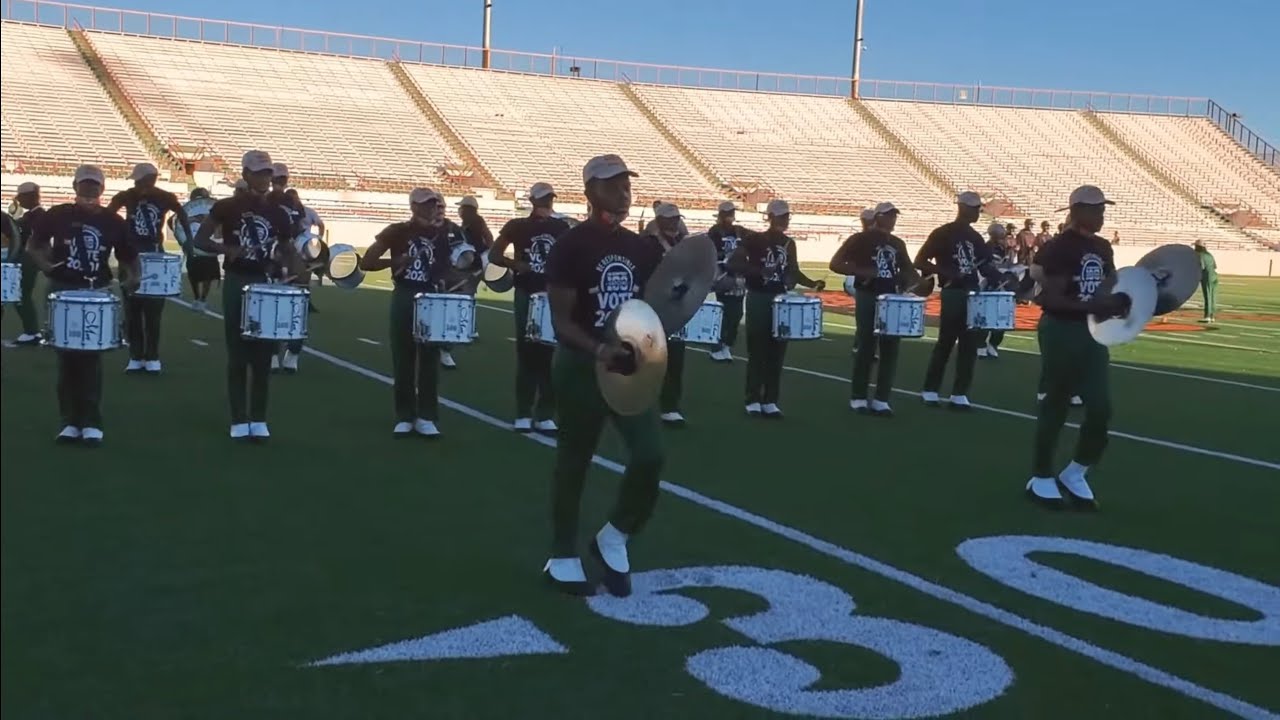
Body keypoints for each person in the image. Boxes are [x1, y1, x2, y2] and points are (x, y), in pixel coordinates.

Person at [542, 154, 664, 598]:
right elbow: (562, 321)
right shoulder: (571, 245)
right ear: (591, 191)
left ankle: (615, 536)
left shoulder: (639, 247)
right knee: (574, 460)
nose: (623, 192)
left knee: (650, 455)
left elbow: (652, 307)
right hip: (580, 366)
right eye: (613, 185)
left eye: (626, 184)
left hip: (628, 368)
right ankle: (562, 554)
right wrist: (599, 350)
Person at [1026, 185, 1130, 509]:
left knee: (1101, 408)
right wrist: (1098, 306)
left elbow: (1108, 287)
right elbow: (1052, 298)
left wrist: (1123, 301)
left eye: (1103, 209)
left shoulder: (1102, 247)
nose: (1101, 215)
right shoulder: (1059, 247)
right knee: (1056, 403)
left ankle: (1076, 472)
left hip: (1092, 333)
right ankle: (1041, 475)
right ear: (1077, 210)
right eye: (1096, 209)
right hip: (1062, 330)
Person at [26, 164, 139, 445]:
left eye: (94, 186)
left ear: (102, 189)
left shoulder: (114, 221)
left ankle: (90, 421)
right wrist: (48, 268)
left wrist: (133, 278)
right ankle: (69, 421)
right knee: (66, 356)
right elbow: (33, 246)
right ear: (75, 186)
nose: (89, 190)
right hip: (64, 288)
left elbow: (128, 257)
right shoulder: (59, 214)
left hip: (96, 290)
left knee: (91, 358)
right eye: (84, 185)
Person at [191, 150, 298, 442]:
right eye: (259, 172)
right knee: (238, 353)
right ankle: (239, 417)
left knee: (264, 355)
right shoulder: (226, 207)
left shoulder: (278, 212)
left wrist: (290, 265)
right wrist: (225, 249)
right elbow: (200, 239)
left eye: (268, 173)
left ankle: (259, 417)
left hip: (265, 282)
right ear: (246, 174)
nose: (265, 178)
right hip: (238, 280)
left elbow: (288, 247)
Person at [358, 188, 459, 438]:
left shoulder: (446, 233)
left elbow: (460, 264)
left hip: (432, 295)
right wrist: (395, 263)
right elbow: (367, 262)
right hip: (404, 293)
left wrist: (451, 278)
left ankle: (427, 416)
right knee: (403, 358)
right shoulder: (397, 231)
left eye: (434, 203)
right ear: (413, 206)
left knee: (429, 360)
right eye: (425, 204)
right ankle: (404, 415)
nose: (431, 207)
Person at [728, 199, 825, 419]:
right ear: (769, 217)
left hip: (781, 298)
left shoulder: (790, 243)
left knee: (777, 351)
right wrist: (758, 271)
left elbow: (793, 271)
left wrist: (811, 283)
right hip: (759, 297)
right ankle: (752, 398)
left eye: (786, 216)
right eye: (780, 216)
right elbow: (734, 263)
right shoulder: (754, 239)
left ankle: (770, 399)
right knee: (758, 349)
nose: (784, 220)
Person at [488, 182, 568, 434]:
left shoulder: (561, 226)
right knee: (526, 353)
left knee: (551, 354)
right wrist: (515, 264)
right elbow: (493, 255)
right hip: (526, 291)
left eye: (549, 199)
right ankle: (523, 411)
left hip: (552, 294)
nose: (547, 204)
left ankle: (545, 412)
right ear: (532, 201)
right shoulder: (517, 226)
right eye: (543, 199)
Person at [829, 201, 916, 417]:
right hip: (868, 295)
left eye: (894, 215)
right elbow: (836, 263)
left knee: (890, 348)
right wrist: (863, 271)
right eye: (888, 215)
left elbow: (908, 270)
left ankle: (881, 399)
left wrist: (915, 282)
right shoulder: (860, 239)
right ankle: (858, 396)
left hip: (891, 297)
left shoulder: (897, 243)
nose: (893, 219)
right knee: (867, 346)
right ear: (878, 217)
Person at [915, 192, 1001, 409]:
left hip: (972, 292)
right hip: (952, 292)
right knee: (946, 341)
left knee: (969, 344)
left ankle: (959, 393)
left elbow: (984, 265)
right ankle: (930, 389)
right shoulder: (943, 233)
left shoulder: (975, 237)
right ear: (962, 208)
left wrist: (1002, 276)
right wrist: (944, 271)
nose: (977, 213)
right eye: (974, 209)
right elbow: (920, 260)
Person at [106, 162, 191, 375]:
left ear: (151, 178)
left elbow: (182, 214)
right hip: (130, 254)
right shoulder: (127, 195)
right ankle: (136, 356)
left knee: (153, 311)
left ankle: (152, 356)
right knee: (132, 308)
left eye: (141, 179)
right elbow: (108, 215)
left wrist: (187, 239)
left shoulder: (165, 196)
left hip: (155, 253)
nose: (137, 183)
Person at [646, 202, 690, 424]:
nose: (675, 222)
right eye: (670, 219)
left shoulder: (682, 242)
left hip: (676, 309)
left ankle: (670, 405)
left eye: (676, 218)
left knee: (675, 359)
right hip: (654, 306)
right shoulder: (648, 244)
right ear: (659, 220)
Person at [267, 163, 307, 372]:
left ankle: (291, 352)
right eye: (278, 178)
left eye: (282, 178)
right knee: (277, 307)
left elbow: (300, 229)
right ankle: (278, 353)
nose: (280, 182)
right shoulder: (269, 200)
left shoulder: (292, 202)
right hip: (275, 255)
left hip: (290, 256)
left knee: (294, 308)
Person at [707, 200, 749, 363]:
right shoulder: (714, 231)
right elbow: (712, 252)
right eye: (727, 213)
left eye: (731, 213)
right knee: (723, 313)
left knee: (737, 313)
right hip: (722, 275)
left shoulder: (740, 231)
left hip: (738, 276)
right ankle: (716, 346)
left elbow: (753, 240)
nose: (730, 216)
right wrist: (726, 259)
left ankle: (727, 345)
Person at [7, 182, 45, 345]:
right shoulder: (32, 215)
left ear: (31, 197)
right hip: (27, 258)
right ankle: (32, 331)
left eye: (21, 197)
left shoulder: (38, 216)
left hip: (28, 259)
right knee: (21, 294)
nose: (20, 201)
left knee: (21, 294)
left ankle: (32, 331)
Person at [173, 188, 220, 312]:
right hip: (193, 245)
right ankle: (197, 298)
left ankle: (202, 299)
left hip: (208, 244)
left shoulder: (214, 208)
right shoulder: (188, 209)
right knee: (193, 274)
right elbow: (173, 221)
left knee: (208, 275)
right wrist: (182, 238)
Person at [978, 222, 1009, 358]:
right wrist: (997, 276)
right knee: (987, 315)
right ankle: (981, 344)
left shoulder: (1002, 248)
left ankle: (993, 344)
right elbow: (985, 268)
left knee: (1001, 316)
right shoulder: (987, 248)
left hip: (1000, 284)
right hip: (988, 285)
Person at [1194, 241, 1217, 323]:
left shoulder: (1200, 255)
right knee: (1213, 297)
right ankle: (1212, 316)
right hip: (1214, 276)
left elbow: (1201, 267)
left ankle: (1207, 316)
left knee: (1207, 296)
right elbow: (1215, 266)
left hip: (1207, 277)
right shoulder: (1209, 255)